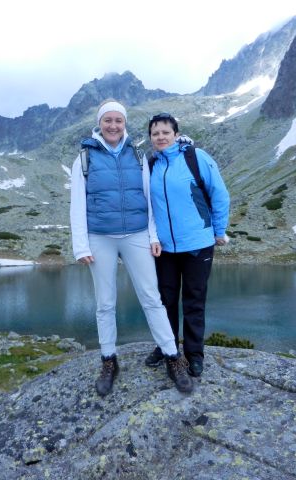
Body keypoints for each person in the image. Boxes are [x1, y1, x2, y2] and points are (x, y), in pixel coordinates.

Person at [70, 100, 193, 396]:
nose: (113, 125)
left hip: (136, 235)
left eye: (118, 120)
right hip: (100, 237)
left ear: (125, 123)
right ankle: (109, 360)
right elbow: (77, 204)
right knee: (105, 303)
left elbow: (149, 200)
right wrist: (81, 245)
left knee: (152, 297)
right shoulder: (84, 158)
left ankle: (172, 356)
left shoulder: (137, 155)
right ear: (100, 123)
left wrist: (153, 236)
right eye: (108, 120)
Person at [144, 113, 230, 378]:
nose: (160, 137)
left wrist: (219, 230)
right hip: (165, 249)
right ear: (150, 137)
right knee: (166, 300)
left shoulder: (196, 157)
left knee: (193, 300)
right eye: (155, 133)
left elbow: (219, 194)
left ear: (176, 135)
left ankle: (194, 354)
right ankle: (167, 347)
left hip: (197, 244)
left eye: (165, 132)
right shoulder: (151, 165)